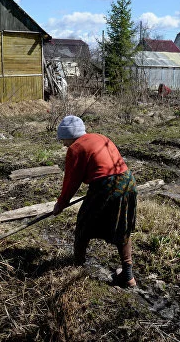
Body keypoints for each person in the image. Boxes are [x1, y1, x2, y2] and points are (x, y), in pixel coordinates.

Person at [53, 115, 138, 288]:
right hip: (128, 181)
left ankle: (78, 266)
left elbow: (71, 182)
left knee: (84, 224)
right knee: (123, 227)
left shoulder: (76, 148)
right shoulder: (100, 137)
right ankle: (128, 276)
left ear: (70, 135)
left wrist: (60, 204)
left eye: (63, 139)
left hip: (106, 186)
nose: (63, 144)